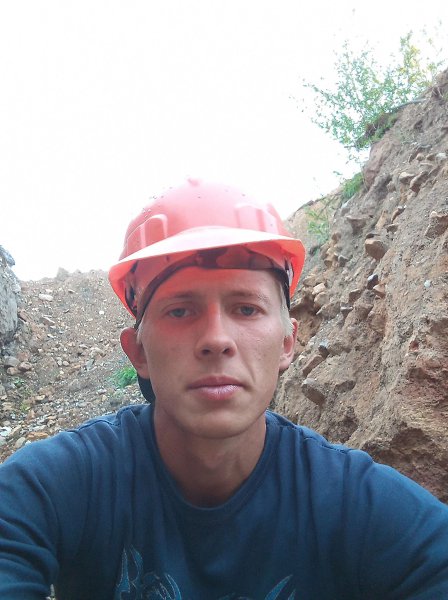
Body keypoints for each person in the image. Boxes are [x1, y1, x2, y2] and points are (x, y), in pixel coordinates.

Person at [1, 179, 448, 600]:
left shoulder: (354, 502)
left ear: (287, 343)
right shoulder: (53, 485)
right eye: (180, 311)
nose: (216, 339)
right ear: (138, 352)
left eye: (246, 309)